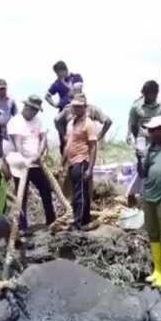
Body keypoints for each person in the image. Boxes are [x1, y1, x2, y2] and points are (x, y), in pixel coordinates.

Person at [137, 116, 161, 288]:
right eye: (150, 130)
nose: (151, 133)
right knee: (153, 234)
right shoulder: (149, 150)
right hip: (150, 197)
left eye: (154, 130)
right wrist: (139, 158)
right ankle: (157, 270)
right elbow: (143, 173)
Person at [7, 95, 56, 230]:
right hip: (21, 164)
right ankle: (22, 228)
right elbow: (17, 142)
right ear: (26, 106)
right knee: (21, 196)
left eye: (36, 110)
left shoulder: (38, 121)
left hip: (36, 164)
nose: (34, 112)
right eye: (32, 109)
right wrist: (25, 158)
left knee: (46, 190)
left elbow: (43, 138)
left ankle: (52, 222)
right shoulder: (15, 121)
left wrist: (39, 154)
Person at [126, 80, 161, 206]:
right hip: (143, 141)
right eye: (149, 93)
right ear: (144, 93)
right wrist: (137, 140)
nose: (152, 96)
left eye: (154, 93)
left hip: (158, 143)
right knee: (143, 168)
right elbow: (132, 124)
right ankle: (140, 197)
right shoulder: (136, 107)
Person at [63, 94, 98, 229]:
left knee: (80, 193)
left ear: (84, 107)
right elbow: (68, 145)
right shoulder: (71, 123)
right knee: (78, 192)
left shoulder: (88, 124)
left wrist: (90, 168)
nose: (76, 109)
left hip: (82, 161)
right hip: (72, 162)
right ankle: (84, 220)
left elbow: (93, 146)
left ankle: (78, 222)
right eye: (74, 106)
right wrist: (63, 163)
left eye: (79, 106)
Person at [55, 83, 112, 154]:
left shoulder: (91, 108)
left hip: (85, 146)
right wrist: (64, 135)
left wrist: (99, 136)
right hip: (73, 146)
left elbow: (108, 121)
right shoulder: (68, 109)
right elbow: (57, 120)